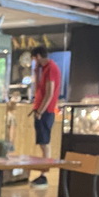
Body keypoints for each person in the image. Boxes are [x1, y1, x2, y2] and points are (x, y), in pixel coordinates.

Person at [28, 44, 61, 187]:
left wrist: (41, 110)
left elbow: (50, 93)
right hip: (39, 108)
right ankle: (43, 172)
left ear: (38, 56)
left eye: (34, 58)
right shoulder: (40, 69)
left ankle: (44, 174)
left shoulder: (51, 68)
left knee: (45, 142)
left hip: (46, 111)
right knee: (42, 142)